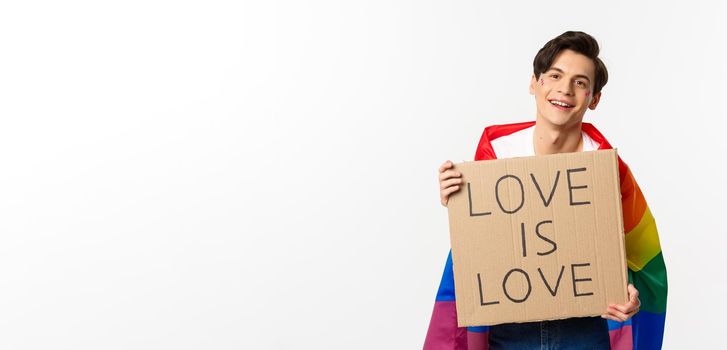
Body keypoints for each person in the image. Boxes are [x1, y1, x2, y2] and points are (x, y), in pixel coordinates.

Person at [423, 31, 668, 350]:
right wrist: (456, 201)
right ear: (534, 83)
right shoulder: (495, 155)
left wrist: (631, 295)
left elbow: (644, 262)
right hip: (507, 330)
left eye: (580, 82)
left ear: (593, 99)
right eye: (555, 76)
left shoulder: (610, 171)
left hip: (585, 331)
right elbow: (479, 249)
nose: (565, 89)